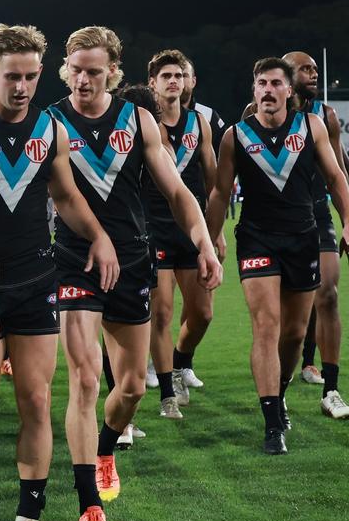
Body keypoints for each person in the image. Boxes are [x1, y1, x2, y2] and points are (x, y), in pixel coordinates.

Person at [50, 27, 221, 521]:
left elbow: (177, 189)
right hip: (74, 263)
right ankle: (88, 507)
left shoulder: (138, 119)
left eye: (94, 71)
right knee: (83, 380)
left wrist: (205, 242)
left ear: (114, 73)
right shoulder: (51, 122)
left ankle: (105, 448)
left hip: (132, 262)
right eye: (76, 69)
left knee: (128, 389)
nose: (83, 79)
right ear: (66, 68)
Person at [0, 24, 119, 521]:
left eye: (29, 76)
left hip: (35, 281)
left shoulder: (51, 130)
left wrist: (99, 237)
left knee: (37, 399)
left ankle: (29, 519)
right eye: (10, 77)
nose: (20, 87)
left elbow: (67, 196)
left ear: (42, 74)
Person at [207, 58, 349, 452]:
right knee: (266, 326)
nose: (267, 90)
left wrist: (348, 219)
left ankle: (280, 389)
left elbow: (337, 177)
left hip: (303, 237)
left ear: (289, 92)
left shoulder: (310, 127)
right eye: (260, 84)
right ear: (253, 91)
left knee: (293, 334)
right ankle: (272, 423)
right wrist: (211, 238)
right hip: (256, 240)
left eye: (275, 83)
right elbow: (220, 193)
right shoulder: (235, 136)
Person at [144, 51, 216, 418]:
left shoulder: (199, 124)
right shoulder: (142, 123)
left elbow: (213, 179)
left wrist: (212, 233)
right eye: (166, 75)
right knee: (162, 312)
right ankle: (167, 393)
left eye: (179, 75)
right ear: (152, 82)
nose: (174, 81)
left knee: (203, 313)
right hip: (154, 226)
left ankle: (180, 360)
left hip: (189, 229)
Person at [281, 52, 348, 417]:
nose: (313, 74)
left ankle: (332, 391)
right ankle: (279, 388)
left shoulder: (326, 117)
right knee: (286, 317)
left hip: (315, 214)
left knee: (329, 295)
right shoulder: (260, 110)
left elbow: (337, 172)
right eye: (306, 69)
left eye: (315, 69)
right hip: (273, 224)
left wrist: (347, 219)